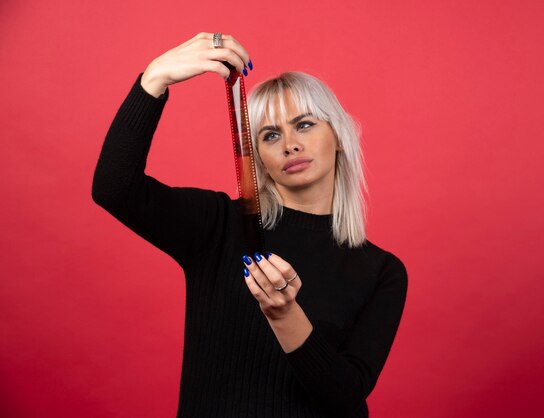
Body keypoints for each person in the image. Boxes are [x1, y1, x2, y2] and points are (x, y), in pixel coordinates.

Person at [92, 32, 408, 418]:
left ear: (338, 136)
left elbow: (345, 397)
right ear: (257, 155)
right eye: (270, 135)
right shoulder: (218, 224)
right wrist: (154, 80)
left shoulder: (381, 272)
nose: (289, 144)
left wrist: (284, 315)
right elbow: (114, 189)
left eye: (304, 125)